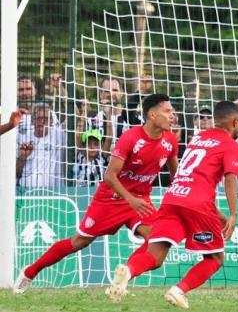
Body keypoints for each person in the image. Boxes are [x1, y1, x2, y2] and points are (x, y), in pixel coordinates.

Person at [13, 94, 179, 294]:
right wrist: (130, 199)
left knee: (157, 239)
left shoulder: (170, 140)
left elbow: (175, 175)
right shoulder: (131, 138)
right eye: (168, 111)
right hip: (111, 198)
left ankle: (123, 278)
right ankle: (30, 272)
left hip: (140, 201)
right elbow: (110, 176)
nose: (173, 116)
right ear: (152, 115)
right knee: (78, 242)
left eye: (172, 111)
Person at [106, 101, 238, 309]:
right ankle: (178, 291)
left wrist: (218, 214)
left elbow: (193, 179)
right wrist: (233, 214)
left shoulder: (198, 139)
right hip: (198, 204)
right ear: (235, 122)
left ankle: (129, 271)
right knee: (215, 258)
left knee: (156, 254)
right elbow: (231, 179)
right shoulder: (232, 146)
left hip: (173, 197)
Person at [16, 103, 64, 189]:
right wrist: (23, 156)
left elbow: (76, 117)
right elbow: (15, 172)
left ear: (51, 122)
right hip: (26, 191)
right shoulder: (23, 138)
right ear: (32, 121)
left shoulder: (59, 135)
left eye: (45, 119)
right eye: (38, 119)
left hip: (53, 193)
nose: (41, 122)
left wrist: (62, 89)